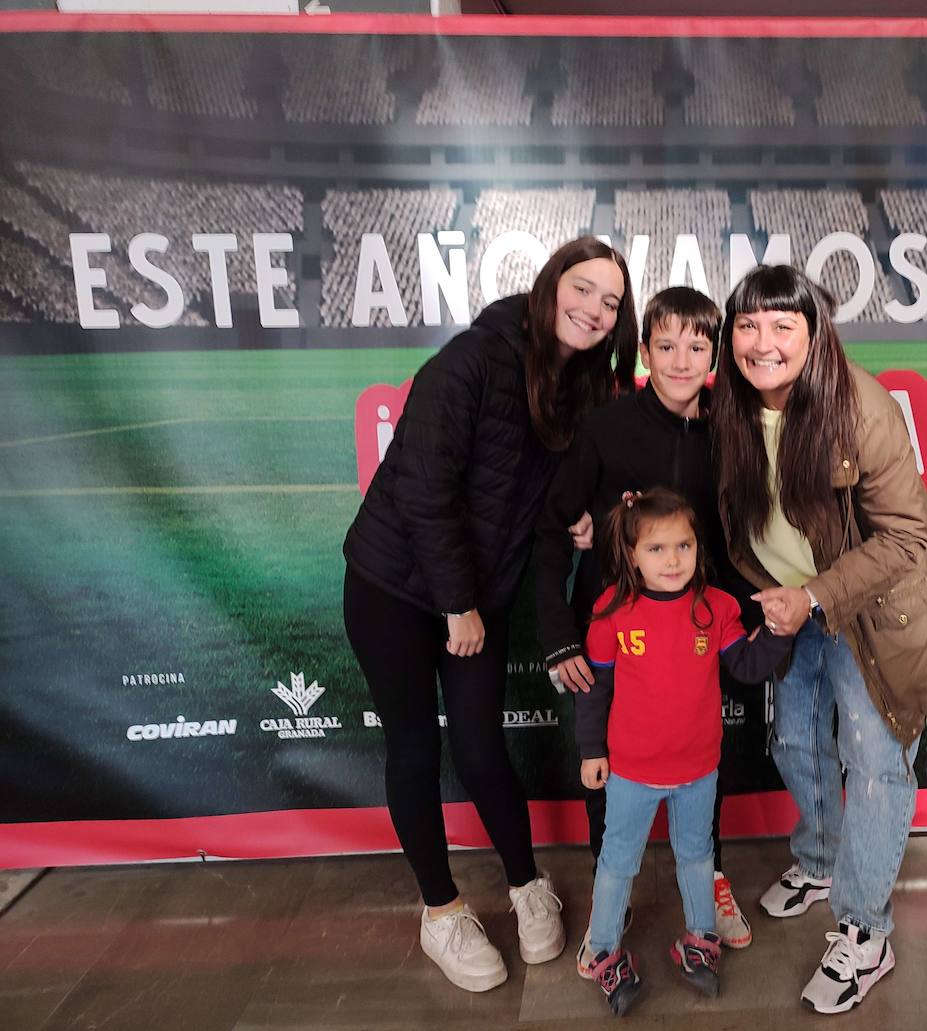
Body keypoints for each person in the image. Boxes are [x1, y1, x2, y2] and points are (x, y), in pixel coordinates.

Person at [341, 236, 638, 993]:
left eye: (611, 301)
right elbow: (421, 488)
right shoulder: (472, 359)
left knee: (480, 748)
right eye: (583, 288)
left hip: (482, 592)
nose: (595, 309)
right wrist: (456, 604)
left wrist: (581, 517)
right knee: (414, 748)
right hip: (396, 589)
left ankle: (525, 882)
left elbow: (568, 483)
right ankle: (440, 910)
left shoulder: (587, 388)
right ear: (549, 286)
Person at [711, 264, 927, 1014]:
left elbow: (907, 537)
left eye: (784, 324)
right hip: (790, 605)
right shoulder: (731, 407)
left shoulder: (860, 408)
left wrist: (814, 595)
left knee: (877, 765)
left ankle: (865, 930)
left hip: (870, 611)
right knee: (797, 743)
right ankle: (819, 860)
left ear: (813, 335)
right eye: (748, 324)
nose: (763, 341)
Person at [533, 287, 757, 973]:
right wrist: (559, 633)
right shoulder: (607, 428)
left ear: (714, 353)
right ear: (645, 352)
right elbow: (553, 523)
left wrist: (753, 612)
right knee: (614, 770)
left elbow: (738, 535)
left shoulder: (728, 430)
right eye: (667, 345)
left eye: (697, 345)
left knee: (698, 757)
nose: (682, 359)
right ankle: (612, 893)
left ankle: (707, 875)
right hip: (615, 635)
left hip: (695, 629)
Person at [573, 488, 791, 1017]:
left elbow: (745, 664)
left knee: (697, 858)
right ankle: (603, 947)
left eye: (684, 546)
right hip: (629, 771)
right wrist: (590, 750)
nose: (673, 560)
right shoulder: (610, 611)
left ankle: (699, 940)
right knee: (618, 861)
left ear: (698, 548)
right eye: (656, 549)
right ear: (630, 555)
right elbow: (595, 690)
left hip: (698, 770)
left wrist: (781, 631)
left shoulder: (715, 607)